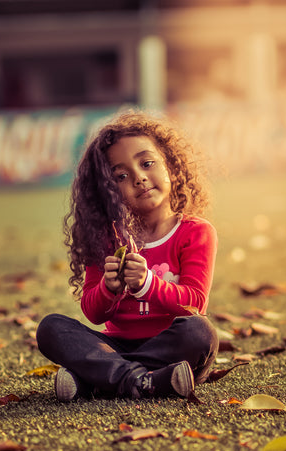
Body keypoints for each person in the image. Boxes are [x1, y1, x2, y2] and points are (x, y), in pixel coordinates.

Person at [36, 110, 219, 401]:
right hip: (115, 346)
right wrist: (109, 289)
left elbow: (194, 304)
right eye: (121, 175)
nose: (139, 178)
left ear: (170, 166)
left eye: (147, 163)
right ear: (108, 190)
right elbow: (94, 314)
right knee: (51, 328)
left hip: (172, 347)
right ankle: (146, 382)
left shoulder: (195, 232)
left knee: (200, 332)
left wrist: (147, 284)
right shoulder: (106, 238)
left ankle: (100, 381)